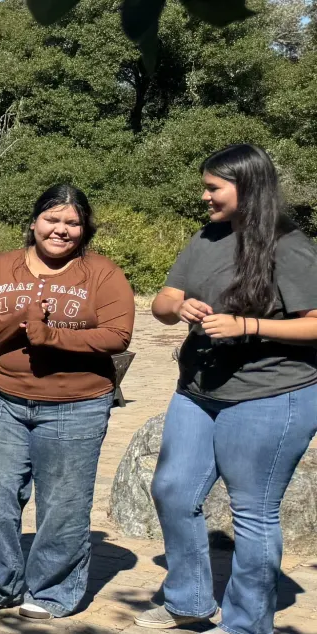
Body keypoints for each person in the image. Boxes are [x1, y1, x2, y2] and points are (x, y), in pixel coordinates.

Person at [140, 144, 317, 634]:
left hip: (270, 396)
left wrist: (249, 326)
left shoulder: (291, 246)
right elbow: (164, 300)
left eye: (213, 187)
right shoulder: (207, 237)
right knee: (173, 491)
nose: (204, 197)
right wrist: (179, 309)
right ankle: (189, 601)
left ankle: (245, 625)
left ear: (248, 187)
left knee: (253, 512)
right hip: (198, 390)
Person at [0, 184, 133, 620]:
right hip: (4, 401)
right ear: (34, 222)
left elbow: (118, 335)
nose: (61, 230)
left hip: (77, 405)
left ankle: (52, 590)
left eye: (72, 223)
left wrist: (54, 335)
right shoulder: (0, 267)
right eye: (52, 219)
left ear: (85, 229)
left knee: (63, 503)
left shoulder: (103, 273)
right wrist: (20, 318)